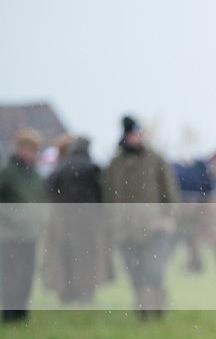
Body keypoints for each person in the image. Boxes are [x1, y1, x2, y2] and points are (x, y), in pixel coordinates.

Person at [103, 115, 178, 318]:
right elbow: (109, 197)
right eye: (133, 134)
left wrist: (169, 217)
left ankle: (158, 307)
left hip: (155, 227)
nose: (136, 138)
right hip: (125, 230)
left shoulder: (155, 160)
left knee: (153, 269)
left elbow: (169, 192)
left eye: (139, 134)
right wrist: (111, 224)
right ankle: (143, 309)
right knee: (135, 273)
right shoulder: (114, 165)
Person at [44, 136, 108, 303]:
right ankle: (85, 293)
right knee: (87, 257)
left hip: (63, 220)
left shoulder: (61, 166)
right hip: (87, 221)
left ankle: (66, 294)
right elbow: (101, 194)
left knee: (64, 257)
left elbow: (50, 189)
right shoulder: (91, 167)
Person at [0, 128, 47, 322]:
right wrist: (12, 216)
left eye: (36, 150)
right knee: (11, 275)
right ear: (20, 149)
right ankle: (10, 315)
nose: (34, 154)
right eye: (31, 149)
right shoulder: (7, 173)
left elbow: (41, 200)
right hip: (10, 235)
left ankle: (21, 314)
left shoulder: (34, 175)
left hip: (30, 234)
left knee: (26, 276)